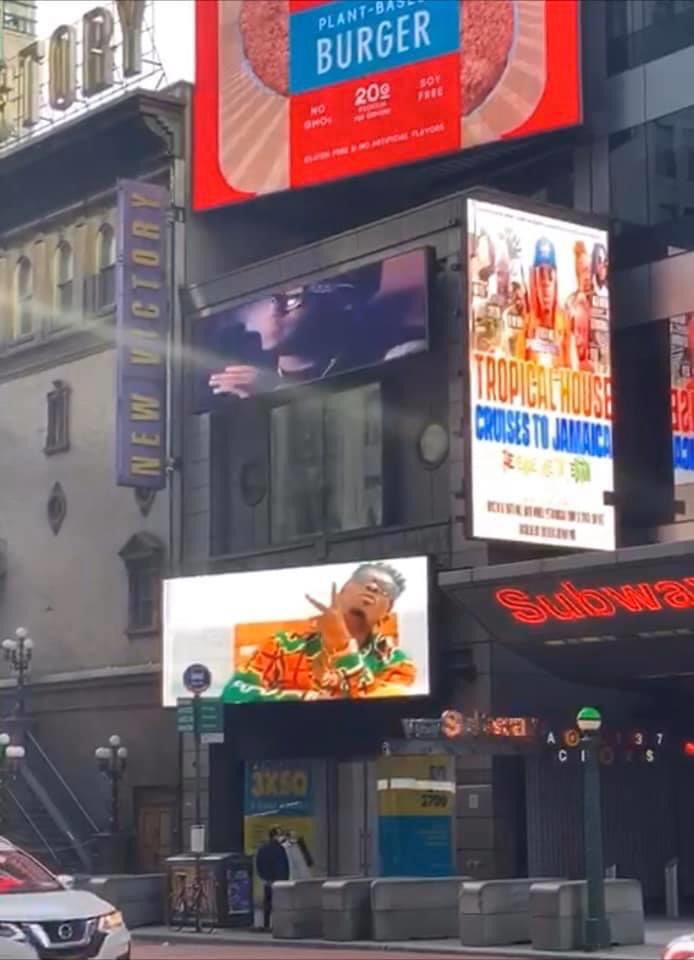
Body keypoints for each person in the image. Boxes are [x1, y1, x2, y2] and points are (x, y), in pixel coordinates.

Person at [221, 562, 416, 702]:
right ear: (341, 592)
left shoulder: (396, 663)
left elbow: (379, 709)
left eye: (384, 590)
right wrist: (300, 698)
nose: (372, 587)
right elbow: (233, 693)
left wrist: (344, 647)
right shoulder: (284, 645)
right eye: (363, 580)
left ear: (387, 611)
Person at [524, 236, 571, 368]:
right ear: (535, 280)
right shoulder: (526, 320)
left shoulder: (564, 321)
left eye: (550, 275)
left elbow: (572, 367)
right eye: (541, 275)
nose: (545, 284)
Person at [255, 826, 289, 931]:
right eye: (279, 834)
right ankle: (277, 924)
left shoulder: (263, 849)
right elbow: (284, 865)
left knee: (268, 902)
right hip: (279, 880)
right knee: (278, 903)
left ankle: (266, 923)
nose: (280, 837)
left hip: (268, 880)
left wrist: (264, 877)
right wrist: (284, 879)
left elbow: (258, 864)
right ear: (274, 836)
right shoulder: (280, 849)